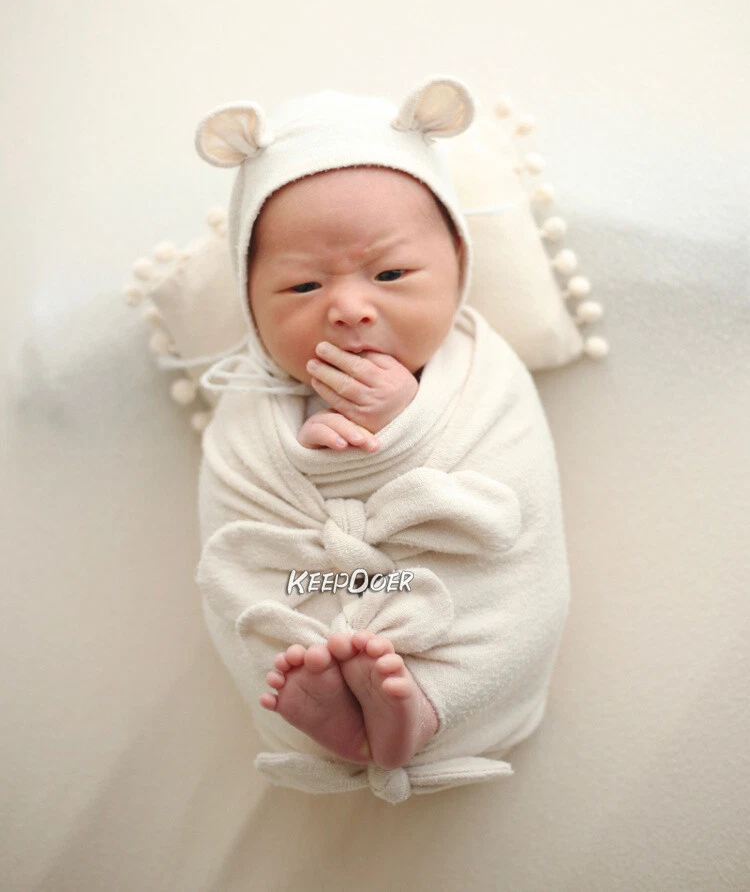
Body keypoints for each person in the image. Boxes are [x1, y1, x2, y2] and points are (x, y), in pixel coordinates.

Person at [193, 76, 571, 804]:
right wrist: (307, 452)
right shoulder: (250, 402)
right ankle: (336, 708)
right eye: (302, 287)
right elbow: (238, 518)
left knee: (510, 614)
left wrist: (402, 429)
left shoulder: (484, 376)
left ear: (459, 264)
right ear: (249, 302)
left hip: (458, 585)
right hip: (313, 587)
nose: (349, 308)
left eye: (391, 273)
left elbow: (511, 506)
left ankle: (423, 711)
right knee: (263, 617)